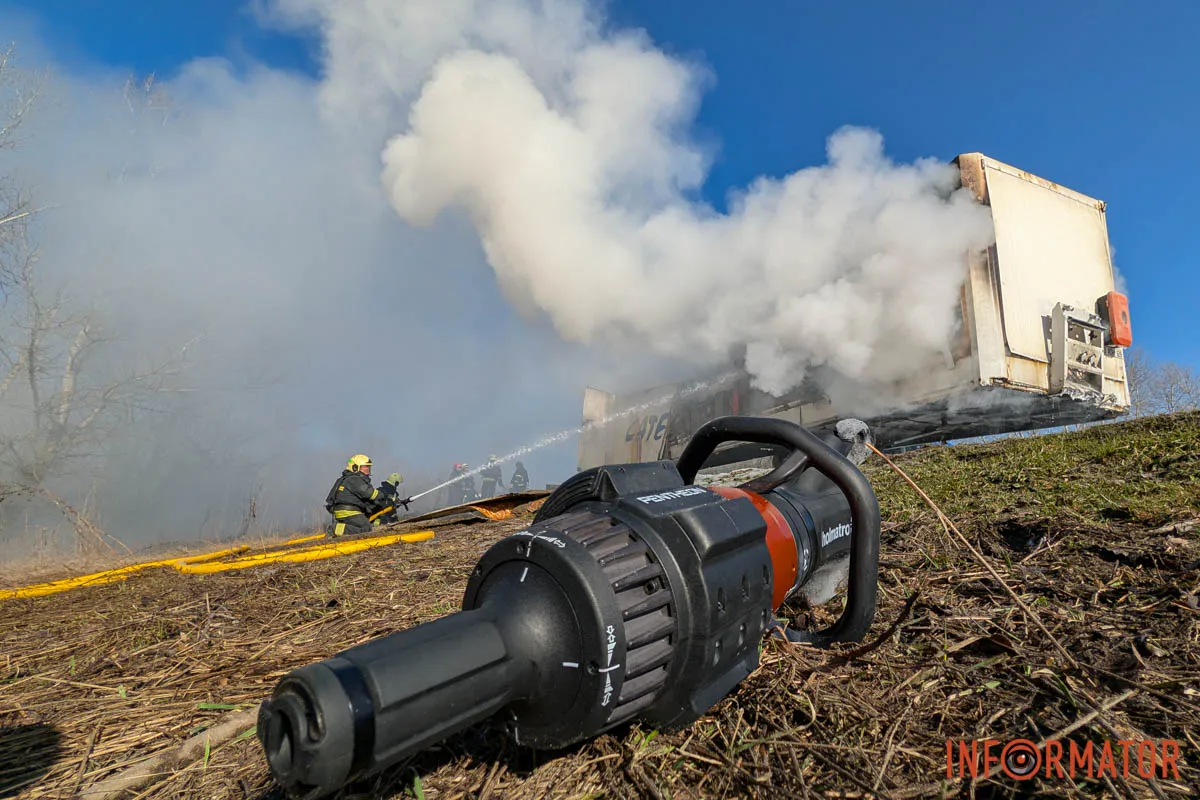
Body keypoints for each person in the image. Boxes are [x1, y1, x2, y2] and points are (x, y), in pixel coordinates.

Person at [325, 454, 381, 537]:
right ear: (355, 467)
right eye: (365, 467)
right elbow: (370, 494)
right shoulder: (354, 479)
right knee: (366, 528)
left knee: (364, 524)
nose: (368, 469)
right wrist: (384, 496)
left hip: (343, 511)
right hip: (349, 511)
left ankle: (340, 529)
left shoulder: (347, 479)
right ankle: (335, 529)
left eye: (369, 467)